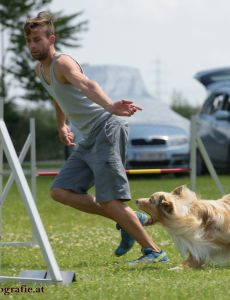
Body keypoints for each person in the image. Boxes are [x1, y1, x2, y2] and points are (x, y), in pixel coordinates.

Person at [23, 11, 168, 264]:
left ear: (51, 39)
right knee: (60, 191)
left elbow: (87, 85)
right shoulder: (40, 70)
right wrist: (62, 125)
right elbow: (58, 97)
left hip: (106, 128)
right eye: (29, 41)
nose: (33, 45)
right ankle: (131, 219)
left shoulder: (63, 63)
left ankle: (155, 253)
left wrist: (111, 106)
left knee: (110, 198)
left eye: (37, 39)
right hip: (88, 138)